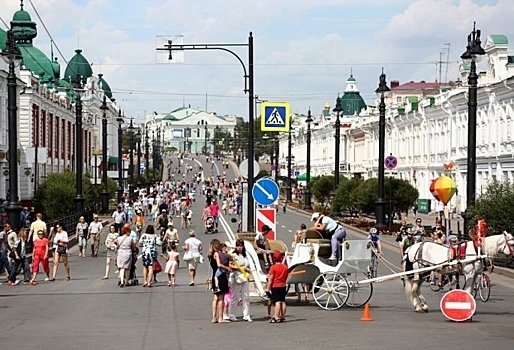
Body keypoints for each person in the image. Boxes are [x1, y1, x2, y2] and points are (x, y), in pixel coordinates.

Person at [228, 240, 253, 322]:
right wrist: (241, 268)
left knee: (246, 297)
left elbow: (248, 265)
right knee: (235, 296)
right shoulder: (233, 255)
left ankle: (246, 315)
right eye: (238, 246)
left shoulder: (245, 255)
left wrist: (248, 270)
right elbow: (230, 265)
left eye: (241, 246)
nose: (239, 248)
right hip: (236, 276)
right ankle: (232, 315)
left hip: (245, 277)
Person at [265, 251, 289, 323]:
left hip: (275, 286)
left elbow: (271, 279)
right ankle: (282, 316)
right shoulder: (285, 267)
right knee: (283, 301)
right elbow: (286, 277)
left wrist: (268, 288)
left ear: (274, 258)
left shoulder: (273, 268)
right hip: (283, 285)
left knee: (277, 302)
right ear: (281, 258)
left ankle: (276, 316)